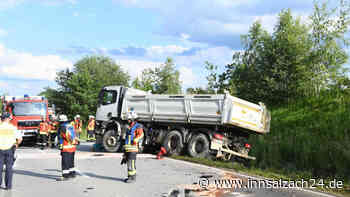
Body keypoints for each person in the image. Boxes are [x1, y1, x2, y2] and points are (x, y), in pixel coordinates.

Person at [0, 112, 22, 190]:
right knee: (9, 168)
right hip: (10, 149)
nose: (10, 119)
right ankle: (8, 186)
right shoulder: (12, 127)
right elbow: (19, 139)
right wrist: (16, 145)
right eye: (9, 118)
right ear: (7, 119)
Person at [122, 111, 144, 183]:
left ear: (133, 119)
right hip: (128, 149)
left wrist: (136, 139)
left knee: (131, 163)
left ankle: (133, 177)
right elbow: (126, 139)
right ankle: (129, 177)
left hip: (133, 148)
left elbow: (141, 135)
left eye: (129, 119)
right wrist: (124, 150)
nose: (128, 120)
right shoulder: (128, 127)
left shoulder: (138, 126)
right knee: (128, 163)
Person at [57, 114, 78, 181]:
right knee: (71, 161)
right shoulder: (70, 125)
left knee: (65, 162)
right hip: (72, 146)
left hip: (66, 147)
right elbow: (74, 134)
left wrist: (60, 145)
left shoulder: (62, 127)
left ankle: (65, 176)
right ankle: (72, 173)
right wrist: (73, 142)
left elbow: (62, 136)